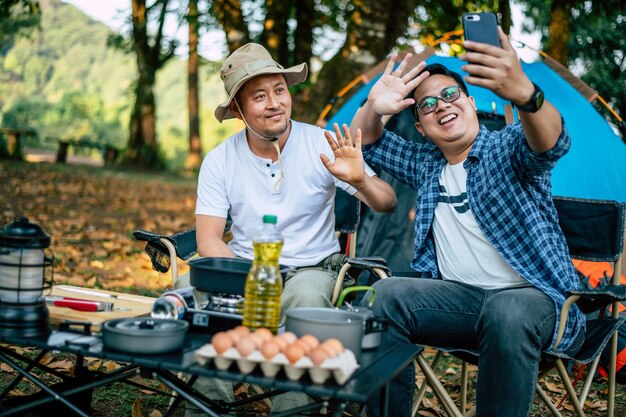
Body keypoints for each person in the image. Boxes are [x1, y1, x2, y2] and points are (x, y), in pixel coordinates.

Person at [351, 27, 585, 417]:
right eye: (426, 106)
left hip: (539, 304)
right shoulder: (426, 164)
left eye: (449, 95)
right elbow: (367, 140)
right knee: (385, 294)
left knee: (506, 310)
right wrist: (374, 105)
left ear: (471, 103)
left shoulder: (506, 148)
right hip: (465, 304)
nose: (441, 106)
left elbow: (551, 143)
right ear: (421, 128)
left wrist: (527, 96)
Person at [186, 43, 397, 417]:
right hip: (245, 268)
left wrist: (361, 179)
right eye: (259, 96)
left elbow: (388, 202)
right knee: (193, 291)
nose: (274, 103)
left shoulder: (321, 143)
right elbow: (208, 240)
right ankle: (210, 409)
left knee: (307, 300)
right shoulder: (220, 160)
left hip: (312, 270)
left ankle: (292, 412)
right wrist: (254, 279)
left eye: (280, 90)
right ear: (237, 110)